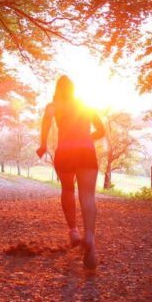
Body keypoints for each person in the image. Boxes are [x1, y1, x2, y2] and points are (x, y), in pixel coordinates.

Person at [37, 75, 105, 270]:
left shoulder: (53, 106)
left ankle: (74, 231)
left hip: (65, 152)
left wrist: (42, 145)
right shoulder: (86, 106)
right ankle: (90, 237)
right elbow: (101, 130)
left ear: (58, 89)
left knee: (68, 189)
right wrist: (87, 137)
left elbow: (45, 126)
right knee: (88, 196)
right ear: (74, 90)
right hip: (86, 152)